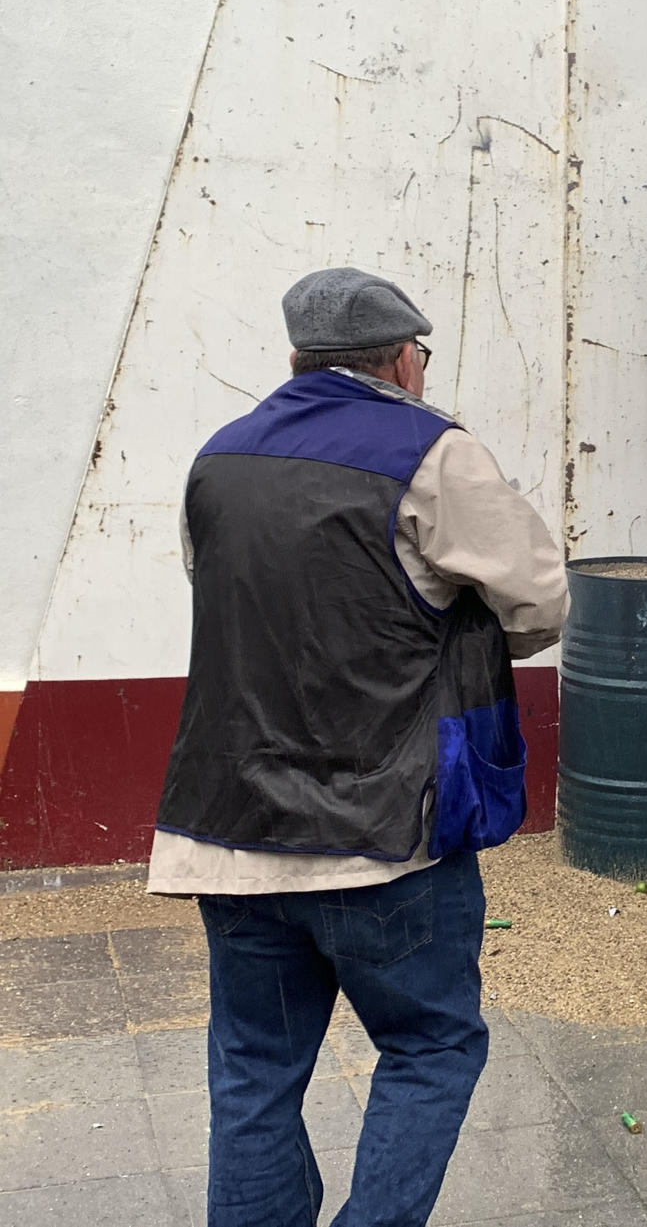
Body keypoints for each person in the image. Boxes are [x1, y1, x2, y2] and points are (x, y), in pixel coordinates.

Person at [148, 267, 569, 1226]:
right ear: (400, 359)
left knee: (255, 1072)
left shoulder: (218, 457)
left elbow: (223, 592)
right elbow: (542, 601)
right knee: (431, 1046)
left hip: (231, 829)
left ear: (297, 359)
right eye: (423, 353)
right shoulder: (435, 453)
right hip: (388, 829)